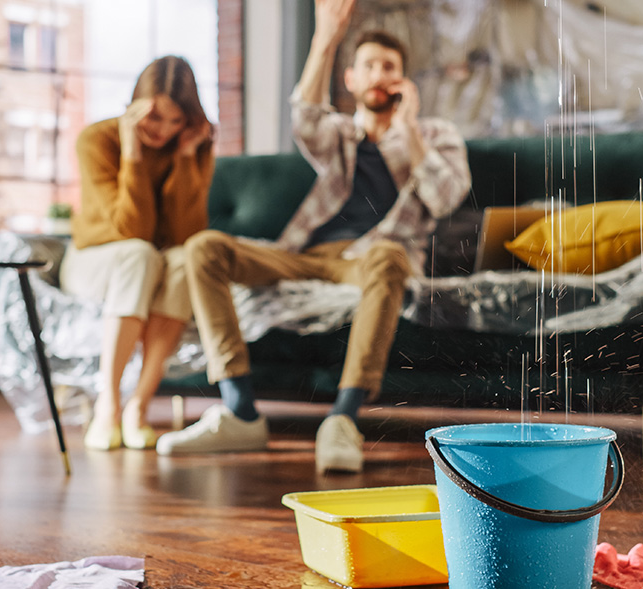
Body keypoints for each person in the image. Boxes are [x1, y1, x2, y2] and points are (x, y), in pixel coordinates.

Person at [156, 0, 471, 473]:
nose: (379, 74)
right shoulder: (340, 135)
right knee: (205, 248)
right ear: (351, 79)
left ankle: (342, 419)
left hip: (371, 260)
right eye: (368, 65)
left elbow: (445, 197)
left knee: (389, 256)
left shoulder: (434, 134)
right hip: (304, 255)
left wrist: (408, 131)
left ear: (405, 81)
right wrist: (326, 36)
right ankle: (239, 408)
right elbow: (304, 115)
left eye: (390, 67)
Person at [61, 56, 214, 451]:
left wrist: (185, 158)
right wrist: (131, 152)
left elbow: (187, 234)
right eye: (154, 118)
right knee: (139, 253)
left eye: (175, 121)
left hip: (154, 263)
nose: (162, 130)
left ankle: (138, 407)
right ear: (133, 107)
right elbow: (132, 230)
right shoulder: (96, 139)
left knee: (184, 261)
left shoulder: (192, 146)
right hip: (95, 262)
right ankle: (108, 406)